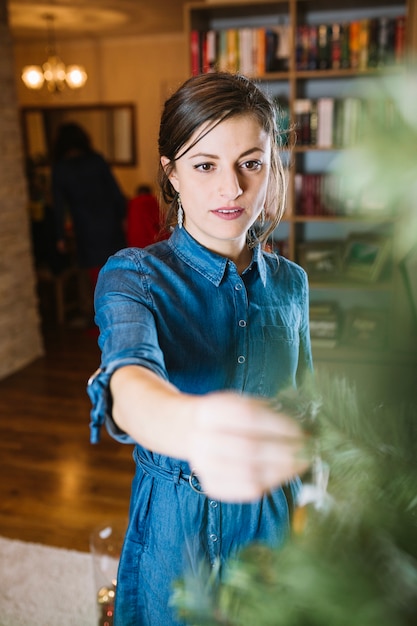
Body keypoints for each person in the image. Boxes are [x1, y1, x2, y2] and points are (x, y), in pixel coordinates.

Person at [87, 72, 313, 626]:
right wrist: (197, 428)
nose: (231, 189)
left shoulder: (292, 284)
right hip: (174, 525)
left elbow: (307, 405)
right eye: (205, 165)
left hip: (272, 526)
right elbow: (130, 382)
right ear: (172, 173)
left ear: (271, 165)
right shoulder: (132, 275)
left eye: (250, 163)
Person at [51, 122, 127, 316]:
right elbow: (116, 193)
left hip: (85, 227)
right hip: (109, 223)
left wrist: (60, 236)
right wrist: (122, 218)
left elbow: (59, 207)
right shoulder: (97, 161)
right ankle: (121, 309)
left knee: (93, 274)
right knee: (116, 268)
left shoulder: (61, 169)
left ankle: (99, 314)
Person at [126, 183, 169, 247]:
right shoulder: (152, 201)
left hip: (135, 240)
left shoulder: (132, 203)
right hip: (153, 241)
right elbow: (161, 220)